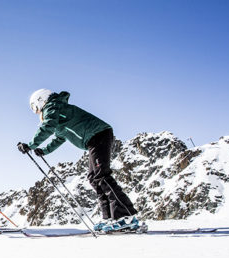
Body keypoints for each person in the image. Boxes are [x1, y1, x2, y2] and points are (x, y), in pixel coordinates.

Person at [17, 89, 139, 231]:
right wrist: (44, 150)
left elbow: (48, 126)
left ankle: (126, 216)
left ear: (41, 100)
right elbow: (60, 137)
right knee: (94, 178)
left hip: (98, 135)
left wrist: (31, 145)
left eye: (34, 107)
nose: (36, 112)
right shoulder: (57, 111)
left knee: (102, 176)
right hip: (94, 139)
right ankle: (110, 218)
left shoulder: (53, 107)